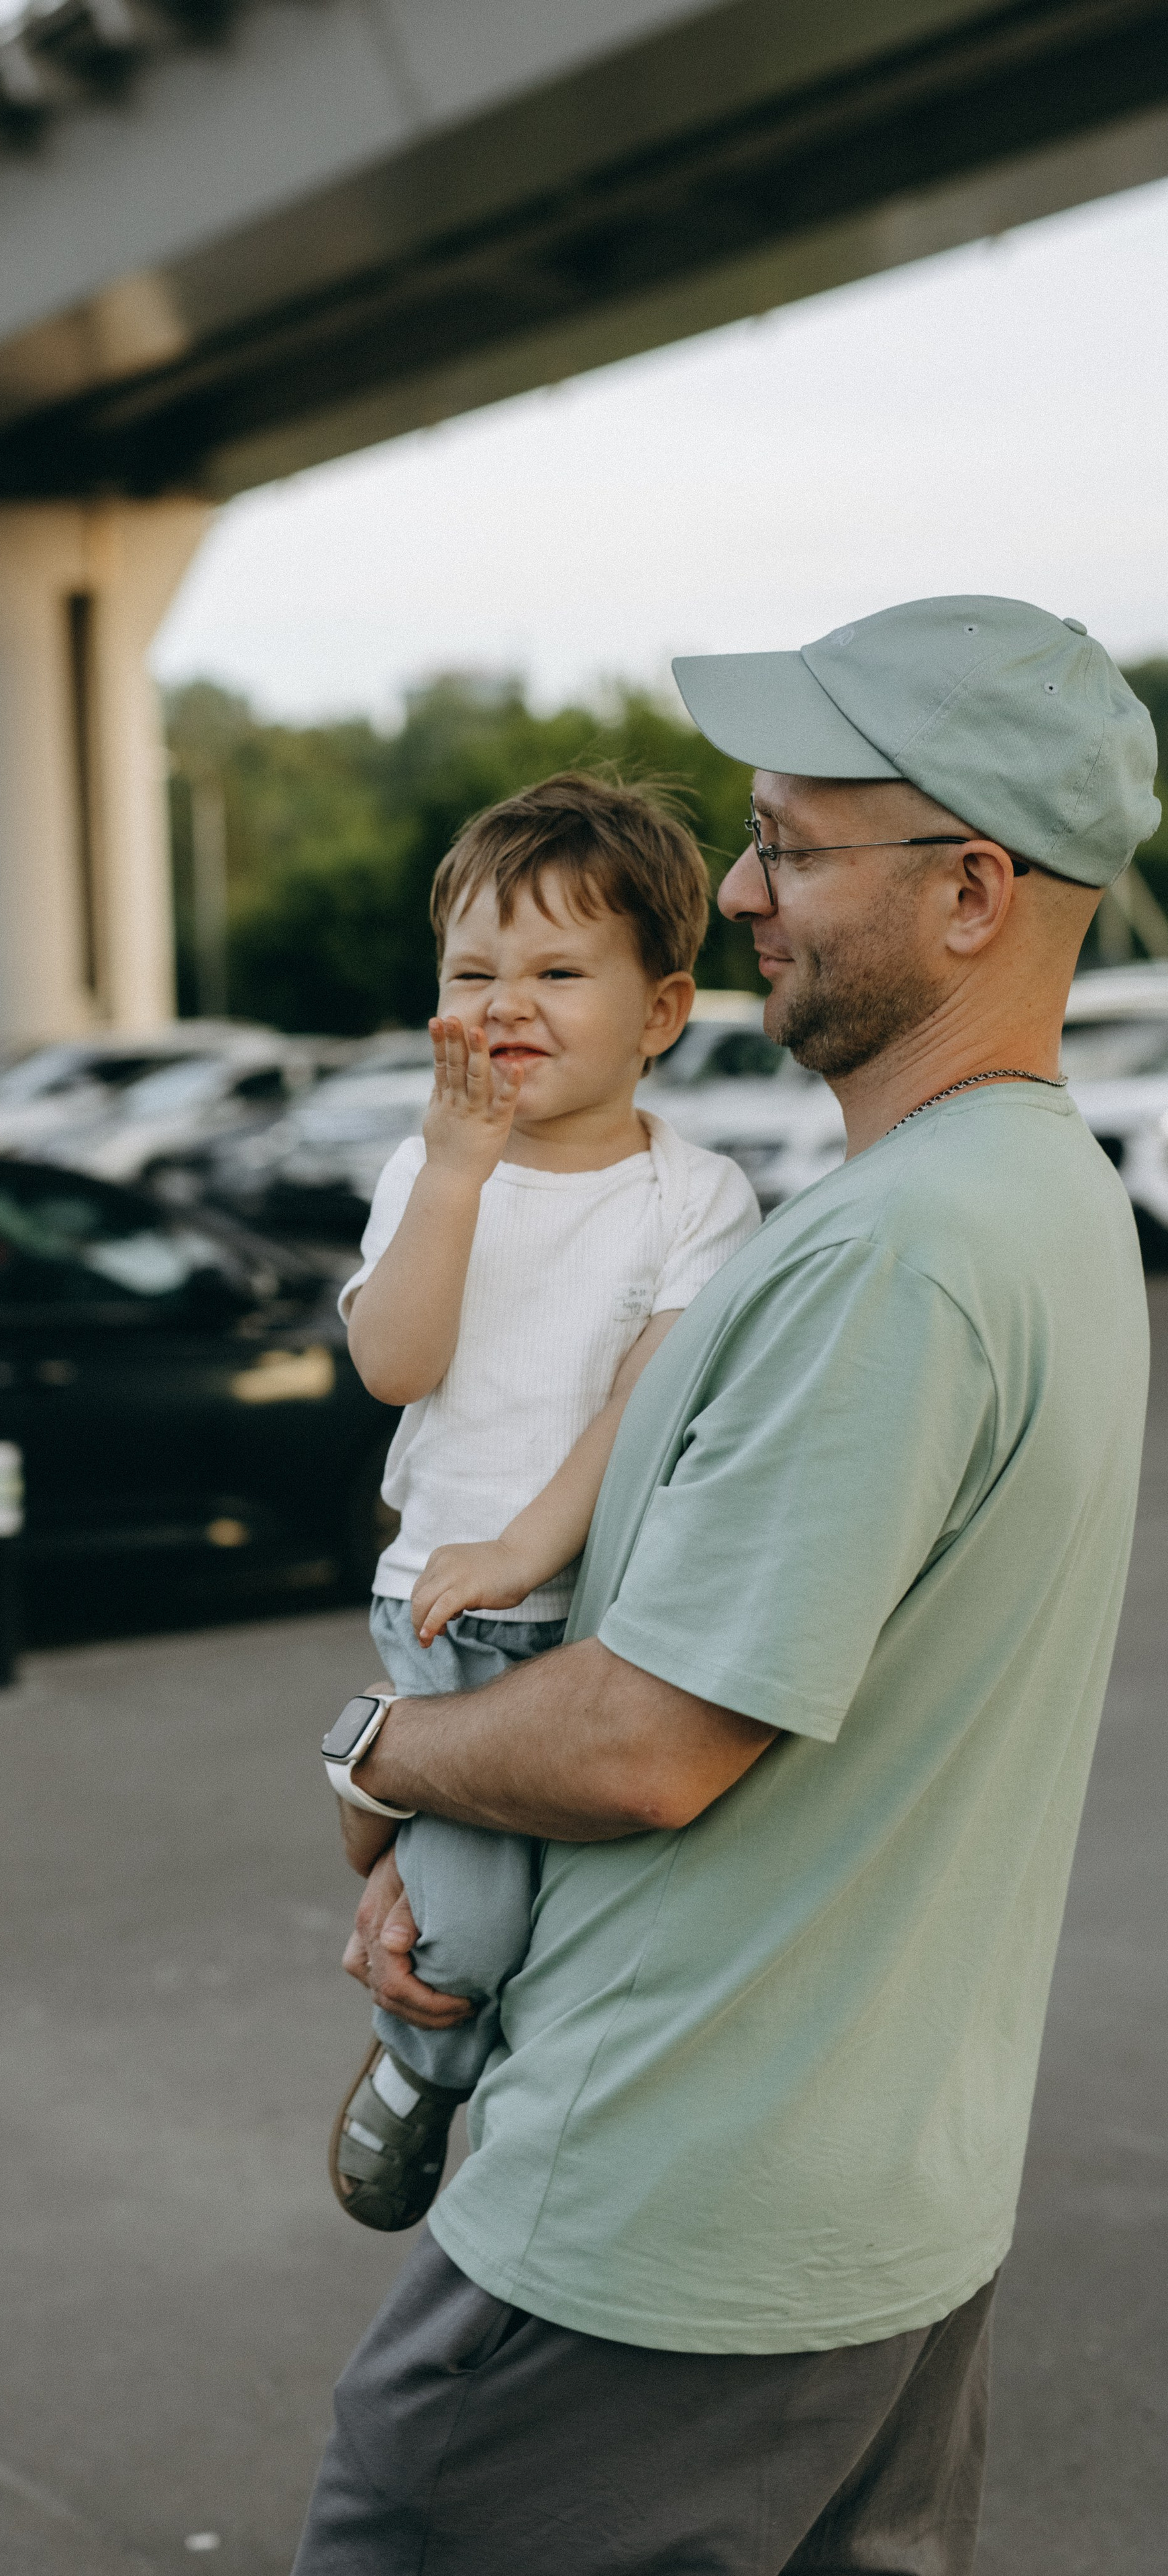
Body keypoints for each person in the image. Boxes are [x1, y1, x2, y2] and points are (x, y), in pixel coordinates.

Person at [298, 596, 1158, 2576]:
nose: (746, 890)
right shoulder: (1043, 1203)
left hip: (661, 2238)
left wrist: (386, 1758)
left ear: (969, 895)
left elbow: (650, 1739)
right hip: (875, 2220)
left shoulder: (890, 1258)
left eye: (791, 842)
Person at [330, 773, 759, 2231]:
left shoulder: (694, 1198)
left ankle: (368, 1805)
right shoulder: (426, 1166)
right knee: (473, 1929)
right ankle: (414, 2077)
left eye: (558, 970)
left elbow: (645, 1399)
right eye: (472, 972)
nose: (508, 1001)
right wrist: (454, 1173)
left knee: (590, 1934)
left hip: (595, 1628)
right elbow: (394, 1366)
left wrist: (531, 1545)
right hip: (443, 1616)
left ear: (659, 1010)